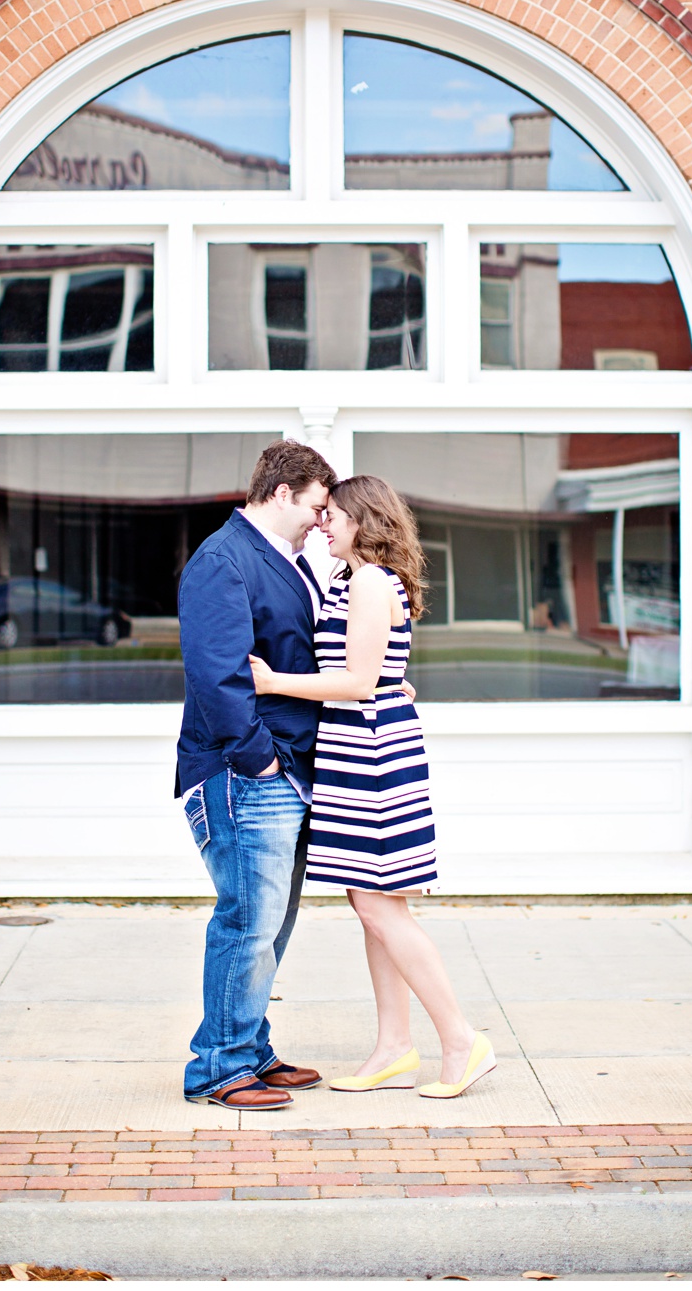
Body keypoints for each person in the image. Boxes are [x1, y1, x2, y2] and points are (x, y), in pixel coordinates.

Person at [250, 474, 496, 1100]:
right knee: (374, 907)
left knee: (380, 906)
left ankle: (462, 1040)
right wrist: (392, 687)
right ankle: (393, 1048)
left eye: (331, 515)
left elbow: (358, 681)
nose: (322, 524)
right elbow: (382, 674)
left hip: (372, 754)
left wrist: (273, 682)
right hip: (364, 745)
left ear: (363, 520)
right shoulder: (356, 580)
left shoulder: (365, 580)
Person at [176, 438, 337, 1111]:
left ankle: (249, 1047)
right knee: (247, 919)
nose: (322, 520)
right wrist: (260, 757)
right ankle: (217, 1065)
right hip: (244, 773)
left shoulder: (285, 561)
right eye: (317, 505)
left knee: (270, 925)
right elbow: (218, 673)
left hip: (280, 775)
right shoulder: (224, 560)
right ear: (282, 492)